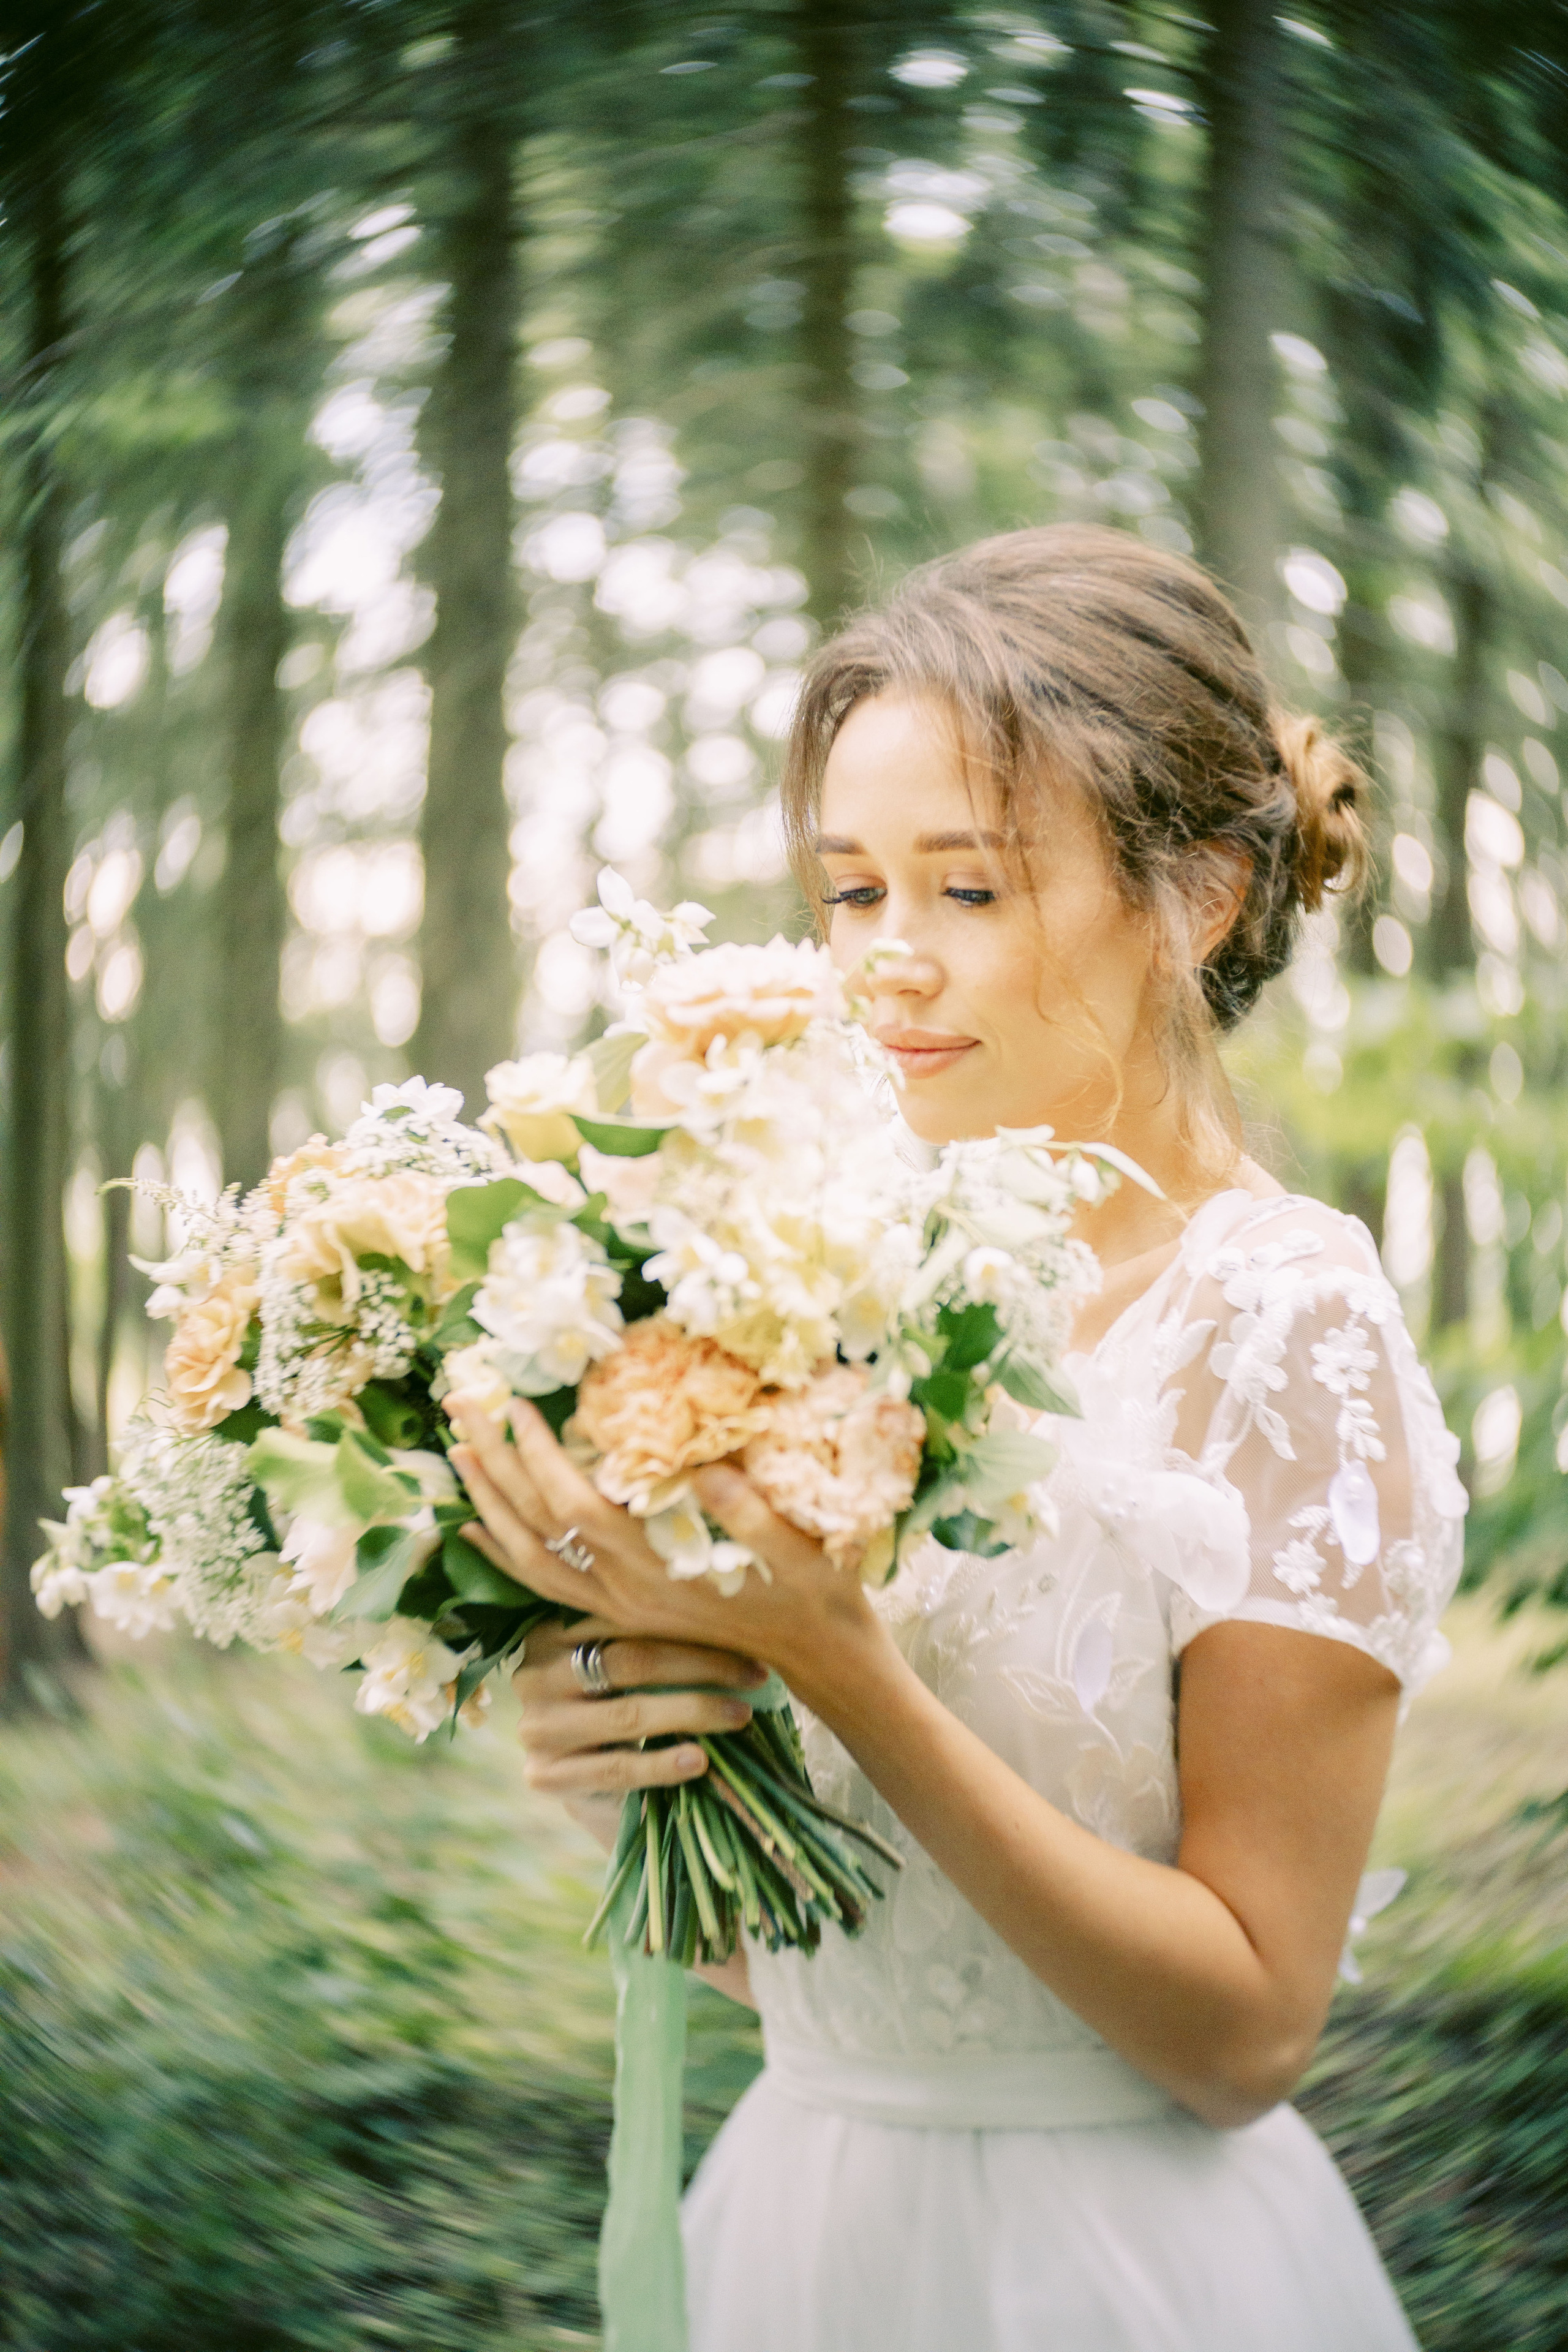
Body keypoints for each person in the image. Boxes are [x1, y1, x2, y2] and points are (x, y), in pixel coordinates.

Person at [448, 524, 1467, 2352]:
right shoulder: (814, 1277)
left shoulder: (1285, 1328)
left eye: (970, 892)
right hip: (805, 2229)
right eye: (852, 892)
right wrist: (632, 1754)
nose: (886, 965)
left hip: (1120, 2270)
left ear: (1203, 896)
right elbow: (831, 1978)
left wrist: (845, 1671)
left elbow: (1246, 2032)